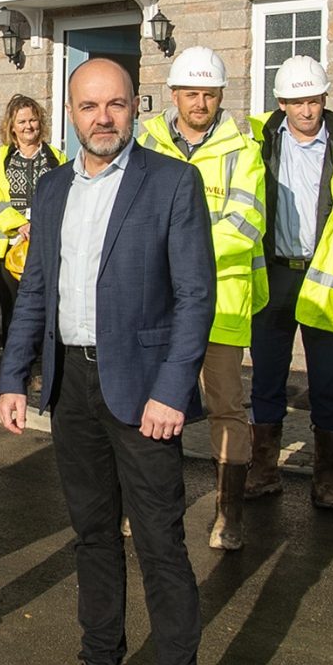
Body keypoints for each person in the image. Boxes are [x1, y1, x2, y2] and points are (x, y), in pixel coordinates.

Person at [0, 58, 218, 665]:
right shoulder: (53, 187)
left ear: (134, 109)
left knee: (160, 545)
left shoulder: (172, 183)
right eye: (89, 106)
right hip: (71, 386)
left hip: (143, 392)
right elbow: (35, 288)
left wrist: (172, 390)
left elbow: (196, 297)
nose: (102, 117)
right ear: (70, 112)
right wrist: (14, 376)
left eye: (115, 104)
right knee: (93, 536)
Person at [135, 47, 265, 549]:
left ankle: (229, 515)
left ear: (221, 96)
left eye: (209, 94)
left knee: (226, 406)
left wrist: (178, 247)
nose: (200, 103)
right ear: (173, 95)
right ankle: (147, 510)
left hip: (221, 301)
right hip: (155, 300)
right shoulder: (145, 141)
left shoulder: (242, 149)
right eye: (191, 93)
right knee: (148, 402)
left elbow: (245, 222)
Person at [248, 55, 333, 511]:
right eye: (297, 102)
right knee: (266, 378)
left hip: (325, 278)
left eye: (313, 100)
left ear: (324, 99)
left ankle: (327, 478)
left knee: (327, 382)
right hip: (273, 275)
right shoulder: (257, 144)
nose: (306, 110)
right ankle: (264, 469)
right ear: (281, 103)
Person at [0, 93, 64, 340]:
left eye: (33, 120)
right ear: (11, 127)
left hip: (44, 244)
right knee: (13, 309)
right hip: (6, 246)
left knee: (46, 308)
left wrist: (40, 227)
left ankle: (44, 360)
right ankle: (12, 360)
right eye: (22, 122)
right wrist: (20, 225)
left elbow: (63, 198)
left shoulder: (57, 157)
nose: (28, 126)